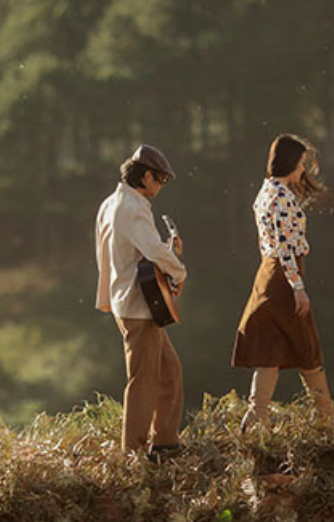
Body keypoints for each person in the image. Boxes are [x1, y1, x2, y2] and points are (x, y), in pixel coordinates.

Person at [231, 134, 334, 435]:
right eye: (301, 164)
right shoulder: (282, 197)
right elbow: (286, 248)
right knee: (306, 346)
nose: (303, 170)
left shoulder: (265, 191)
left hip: (268, 273)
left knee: (272, 349)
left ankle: (257, 416)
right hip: (284, 277)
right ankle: (326, 420)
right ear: (290, 163)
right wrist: (297, 287)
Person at [95, 144, 188, 458]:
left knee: (169, 371)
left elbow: (131, 251)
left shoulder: (111, 203)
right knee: (143, 380)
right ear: (146, 176)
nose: (161, 185)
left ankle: (164, 442)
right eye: (160, 179)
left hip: (129, 300)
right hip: (138, 305)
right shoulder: (134, 206)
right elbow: (153, 251)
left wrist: (165, 252)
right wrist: (178, 269)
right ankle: (133, 452)